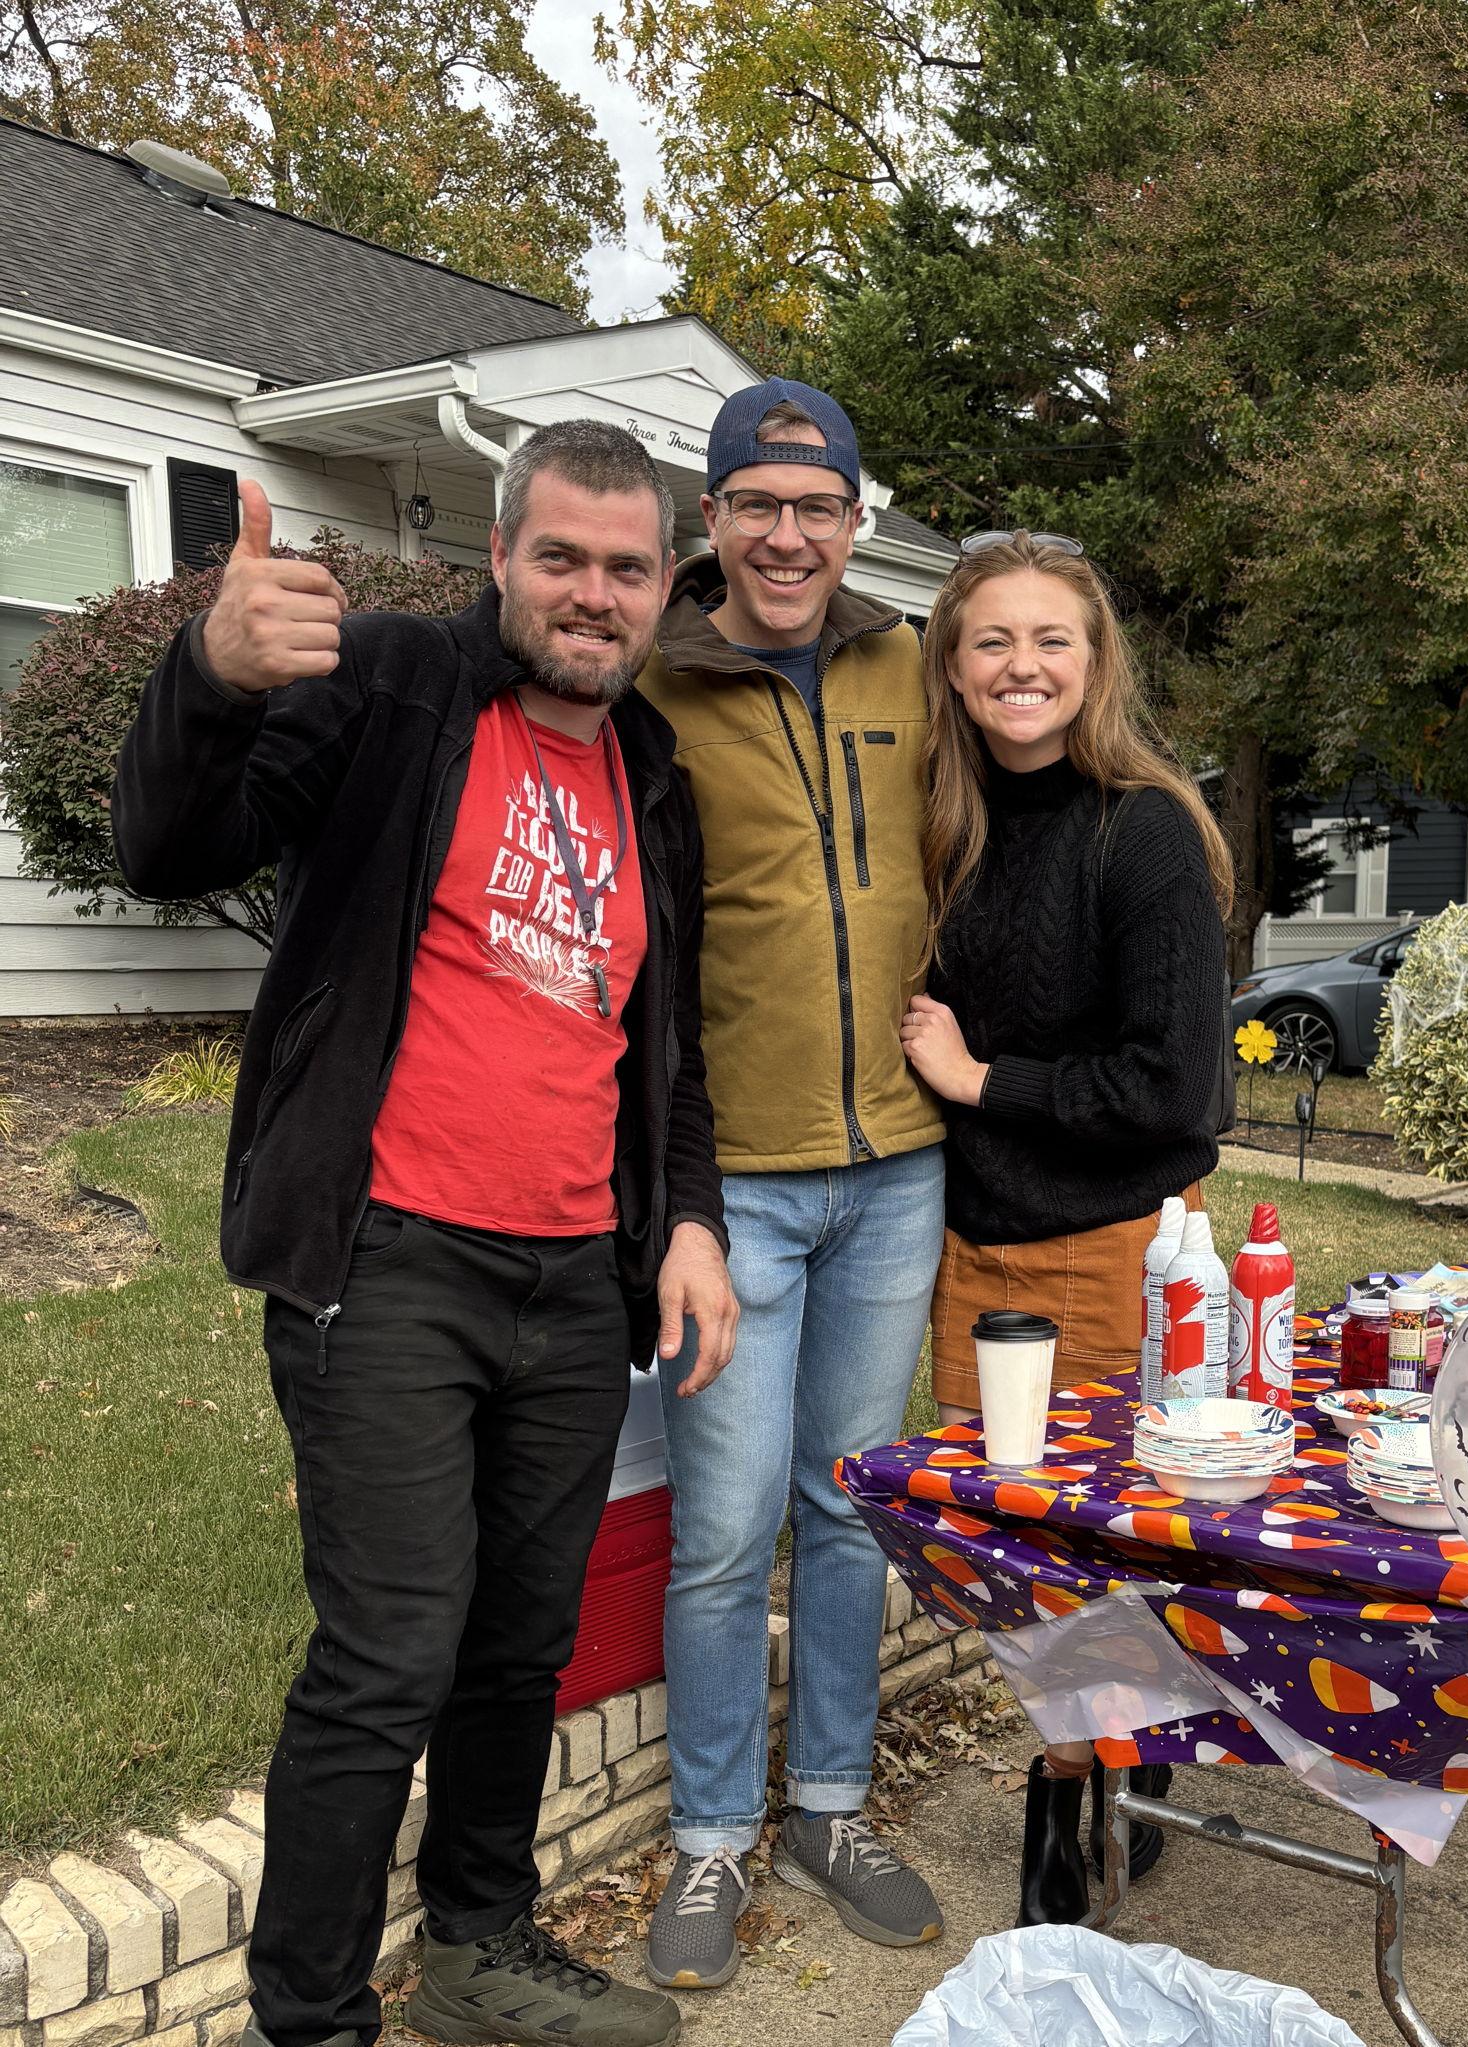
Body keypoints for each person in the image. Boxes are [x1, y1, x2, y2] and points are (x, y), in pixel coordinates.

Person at [111, 421, 736, 2047]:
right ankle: (309, 2020)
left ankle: (477, 1946)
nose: (593, 597)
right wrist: (210, 672)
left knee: (518, 1644)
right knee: (389, 1654)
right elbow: (168, 850)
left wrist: (685, 1223)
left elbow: (669, 1047)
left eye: (625, 569)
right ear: (502, 559)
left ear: (663, 587)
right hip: (384, 1261)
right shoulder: (388, 688)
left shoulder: (655, 778)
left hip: (575, 1280)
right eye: (562, 560)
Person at [636, 380, 948, 1989]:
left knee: (847, 1513)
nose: (785, 534)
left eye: (814, 506)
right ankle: (707, 1840)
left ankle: (827, 1804)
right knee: (724, 1527)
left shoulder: (915, 667)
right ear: (713, 523)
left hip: (899, 1173)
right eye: (755, 505)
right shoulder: (656, 681)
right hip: (734, 1186)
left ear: (852, 519)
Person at [895, 530, 1232, 1924]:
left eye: (1052, 641)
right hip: (971, 1242)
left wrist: (985, 1080)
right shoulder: (948, 821)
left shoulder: (1141, 828)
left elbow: (1178, 1089)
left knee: (1091, 1545)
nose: (1022, 665)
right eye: (993, 641)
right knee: (1018, 1551)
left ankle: (1083, 1797)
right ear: (954, 668)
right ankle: (1101, 1772)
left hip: (1108, 1240)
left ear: (1095, 665)